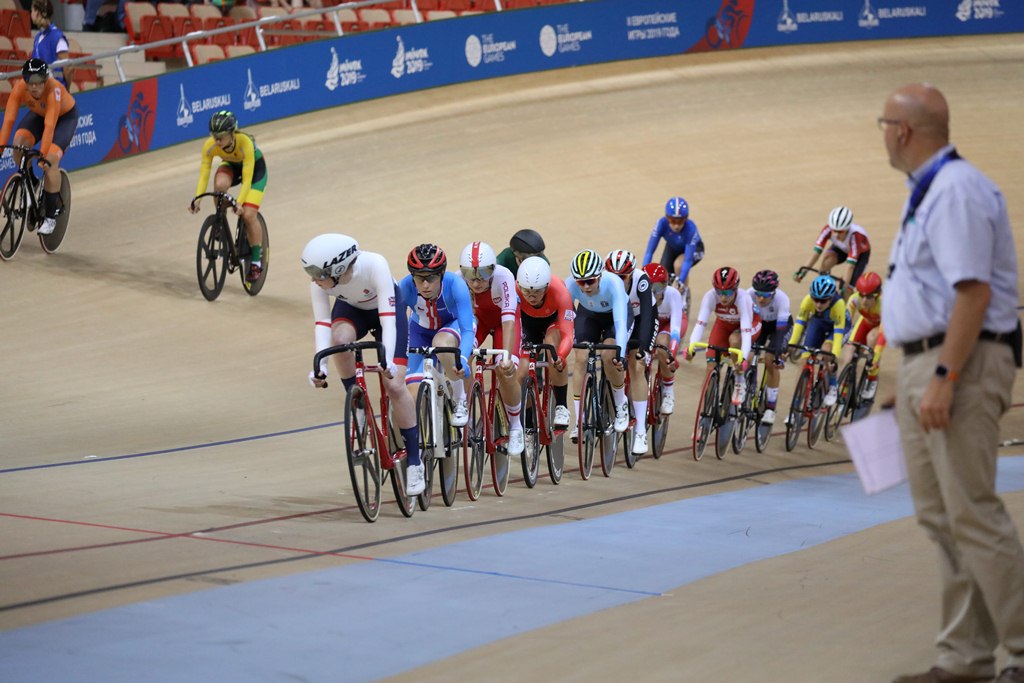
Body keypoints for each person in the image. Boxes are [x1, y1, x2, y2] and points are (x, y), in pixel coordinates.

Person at [880, 82, 1024, 683]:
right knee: (942, 518)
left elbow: (973, 292)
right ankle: (965, 658)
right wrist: (913, 376)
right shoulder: (928, 190)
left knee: (972, 513)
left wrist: (943, 375)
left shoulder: (956, 190)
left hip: (959, 362)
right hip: (932, 362)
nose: (883, 136)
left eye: (884, 125)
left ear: (904, 131)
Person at [300, 233, 424, 497]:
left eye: (317, 273)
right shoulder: (320, 283)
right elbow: (322, 324)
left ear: (338, 269)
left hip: (387, 313)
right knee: (339, 340)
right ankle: (356, 401)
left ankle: (415, 461)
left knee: (395, 386)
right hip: (352, 309)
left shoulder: (374, 264)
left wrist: (387, 361)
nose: (312, 279)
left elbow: (388, 320)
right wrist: (320, 365)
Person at [398, 244, 476, 428]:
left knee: (441, 342)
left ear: (441, 275)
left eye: (431, 278)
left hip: (454, 327)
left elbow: (467, 330)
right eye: (420, 278)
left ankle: (460, 399)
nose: (425, 285)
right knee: (412, 394)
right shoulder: (405, 287)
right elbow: (397, 327)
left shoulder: (456, 285)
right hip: (420, 331)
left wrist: (462, 359)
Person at [458, 241, 524, 456]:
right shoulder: (458, 281)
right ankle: (466, 415)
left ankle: (516, 426)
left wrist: (506, 357)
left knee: (505, 370)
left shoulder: (504, 277)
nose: (476, 282)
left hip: (505, 322)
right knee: (461, 360)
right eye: (470, 276)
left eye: (483, 275)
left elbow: (508, 318)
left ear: (493, 270)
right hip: (479, 322)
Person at [0, 59, 78, 236]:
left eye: (38, 82)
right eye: (30, 82)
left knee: (49, 161)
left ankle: (50, 217)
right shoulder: (19, 88)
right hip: (39, 115)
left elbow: (50, 126)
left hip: (64, 119)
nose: (34, 87)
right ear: (24, 80)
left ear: (45, 80)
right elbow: (9, 120)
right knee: (18, 147)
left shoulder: (53, 89)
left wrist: (43, 156)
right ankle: (32, 183)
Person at [189, 110, 267, 283]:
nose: (216, 141)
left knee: (248, 215)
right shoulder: (210, 145)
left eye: (221, 137)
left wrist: (239, 202)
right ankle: (220, 221)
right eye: (214, 136)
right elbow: (204, 174)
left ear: (232, 133)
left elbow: (247, 178)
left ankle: (256, 261)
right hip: (231, 165)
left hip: (255, 171)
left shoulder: (244, 142)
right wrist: (197, 199)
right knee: (219, 187)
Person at [566, 248, 631, 441]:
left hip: (614, 317)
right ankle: (580, 420)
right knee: (581, 357)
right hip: (589, 314)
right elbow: (565, 316)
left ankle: (621, 404)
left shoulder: (614, 284)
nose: (586, 287)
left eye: (590, 281)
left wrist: (620, 354)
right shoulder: (569, 284)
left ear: (600, 275)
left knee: (609, 355)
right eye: (581, 282)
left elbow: (620, 324)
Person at [605, 249, 657, 455]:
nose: (618, 281)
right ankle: (618, 403)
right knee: (608, 354)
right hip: (619, 319)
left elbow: (647, 316)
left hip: (642, 320)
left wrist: (642, 348)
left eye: (623, 277)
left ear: (631, 274)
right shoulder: (604, 280)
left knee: (637, 364)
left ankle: (641, 431)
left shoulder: (641, 280)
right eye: (615, 276)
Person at [684, 266, 761, 406]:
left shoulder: (743, 299)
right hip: (723, 325)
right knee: (710, 367)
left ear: (736, 289)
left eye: (728, 292)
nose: (723, 297)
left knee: (735, 340)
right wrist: (691, 347)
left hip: (748, 325)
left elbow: (745, 332)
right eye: (719, 292)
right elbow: (700, 324)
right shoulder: (710, 297)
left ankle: (739, 381)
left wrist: (743, 358)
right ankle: (705, 412)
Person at [514, 256, 573, 428]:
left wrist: (561, 355)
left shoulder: (560, 291)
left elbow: (568, 334)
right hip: (529, 324)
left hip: (553, 322)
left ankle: (561, 406)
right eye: (526, 291)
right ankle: (529, 422)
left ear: (546, 287)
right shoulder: (515, 289)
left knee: (552, 348)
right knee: (521, 372)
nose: (531, 297)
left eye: (537, 292)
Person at [787, 274, 846, 407]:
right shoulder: (807, 300)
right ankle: (795, 407)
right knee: (803, 361)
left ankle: (833, 384)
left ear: (831, 298)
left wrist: (834, 357)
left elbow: (838, 335)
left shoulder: (839, 305)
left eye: (823, 301)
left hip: (837, 328)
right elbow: (799, 324)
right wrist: (791, 345)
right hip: (819, 323)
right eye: (816, 299)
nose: (818, 304)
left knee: (826, 351)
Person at [794, 204, 871, 295]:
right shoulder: (827, 229)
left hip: (860, 255)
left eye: (840, 231)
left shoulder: (856, 236)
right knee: (825, 263)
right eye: (834, 231)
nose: (836, 235)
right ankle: (826, 290)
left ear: (847, 229)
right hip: (840, 248)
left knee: (847, 289)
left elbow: (850, 266)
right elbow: (816, 254)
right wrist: (803, 273)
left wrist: (845, 286)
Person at [746, 269, 791, 424]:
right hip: (760, 324)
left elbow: (780, 332)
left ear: (774, 292)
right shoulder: (748, 295)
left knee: (770, 360)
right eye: (758, 294)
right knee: (748, 356)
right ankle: (746, 388)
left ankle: (771, 408)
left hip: (779, 327)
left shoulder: (782, 299)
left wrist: (777, 353)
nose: (760, 298)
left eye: (765, 295)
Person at [642, 196, 705, 301]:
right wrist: (643, 275)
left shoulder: (691, 228)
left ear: (686, 219)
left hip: (694, 249)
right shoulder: (661, 224)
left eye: (680, 221)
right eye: (672, 220)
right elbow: (649, 252)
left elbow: (687, 260)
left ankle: (683, 299)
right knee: (663, 274)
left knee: (678, 265)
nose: (676, 226)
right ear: (667, 218)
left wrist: (680, 282)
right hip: (673, 248)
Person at [644, 263, 684, 415]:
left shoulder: (673, 294)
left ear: (666, 286)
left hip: (669, 325)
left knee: (662, 345)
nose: (655, 294)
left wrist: (671, 354)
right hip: (651, 322)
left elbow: (675, 330)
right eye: (650, 289)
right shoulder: (639, 295)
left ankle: (668, 392)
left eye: (659, 288)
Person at [843, 271, 886, 400]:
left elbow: (882, 335)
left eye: (868, 297)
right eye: (862, 295)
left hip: (882, 326)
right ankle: (844, 390)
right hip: (866, 322)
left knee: (872, 339)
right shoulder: (854, 299)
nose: (864, 300)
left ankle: (872, 378)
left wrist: (876, 356)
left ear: (877, 295)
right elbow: (845, 324)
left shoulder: (884, 304)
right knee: (848, 355)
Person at [30, 0, 73, 90]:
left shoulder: (57, 37)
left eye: (32, 11)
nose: (31, 14)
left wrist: (66, 89)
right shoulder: (37, 38)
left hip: (56, 90)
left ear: (37, 13)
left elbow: (68, 68)